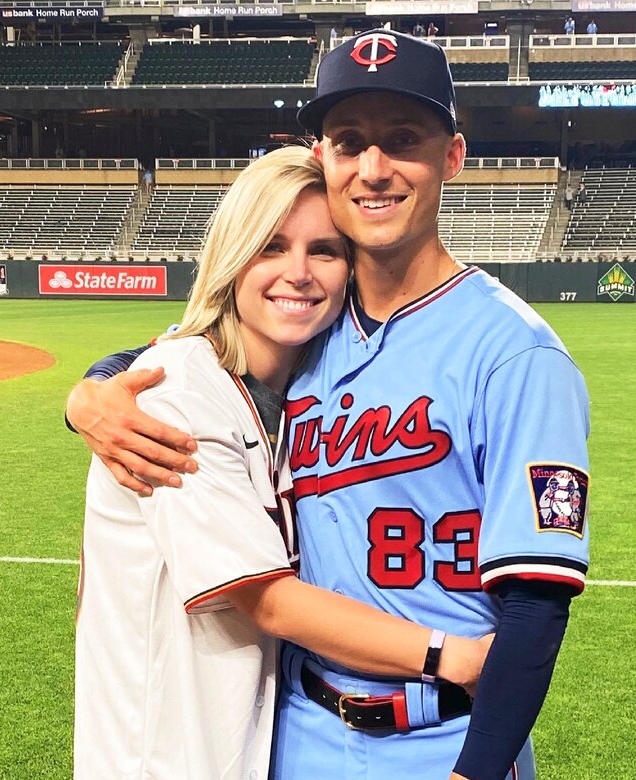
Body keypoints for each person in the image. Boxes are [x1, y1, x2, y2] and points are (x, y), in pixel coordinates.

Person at [68, 30, 590, 780]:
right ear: (326, 160)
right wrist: (90, 392)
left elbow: (537, 608)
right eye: (351, 142)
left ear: (452, 157)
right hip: (297, 733)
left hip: (443, 733)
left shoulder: (516, 355)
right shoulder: (314, 339)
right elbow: (188, 356)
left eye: (402, 140)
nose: (374, 169)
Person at [74, 145, 490, 780]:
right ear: (232, 259)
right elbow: (263, 599)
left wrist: (91, 386)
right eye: (271, 246)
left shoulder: (306, 392)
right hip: (161, 751)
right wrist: (449, 656)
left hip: (244, 738)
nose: (298, 272)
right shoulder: (175, 394)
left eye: (323, 250)